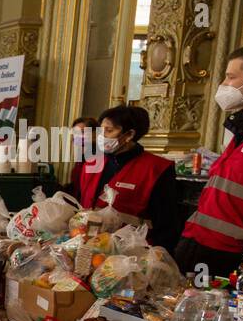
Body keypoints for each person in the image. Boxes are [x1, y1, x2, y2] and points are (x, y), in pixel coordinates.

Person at [178, 45, 243, 276]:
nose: (223, 84)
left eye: (231, 77)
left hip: (231, 256)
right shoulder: (240, 129)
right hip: (198, 244)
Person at [67, 105, 178, 249]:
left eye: (109, 131)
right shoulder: (91, 163)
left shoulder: (156, 169)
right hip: (88, 250)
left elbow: (167, 225)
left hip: (132, 254)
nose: (102, 136)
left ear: (129, 135)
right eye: (101, 130)